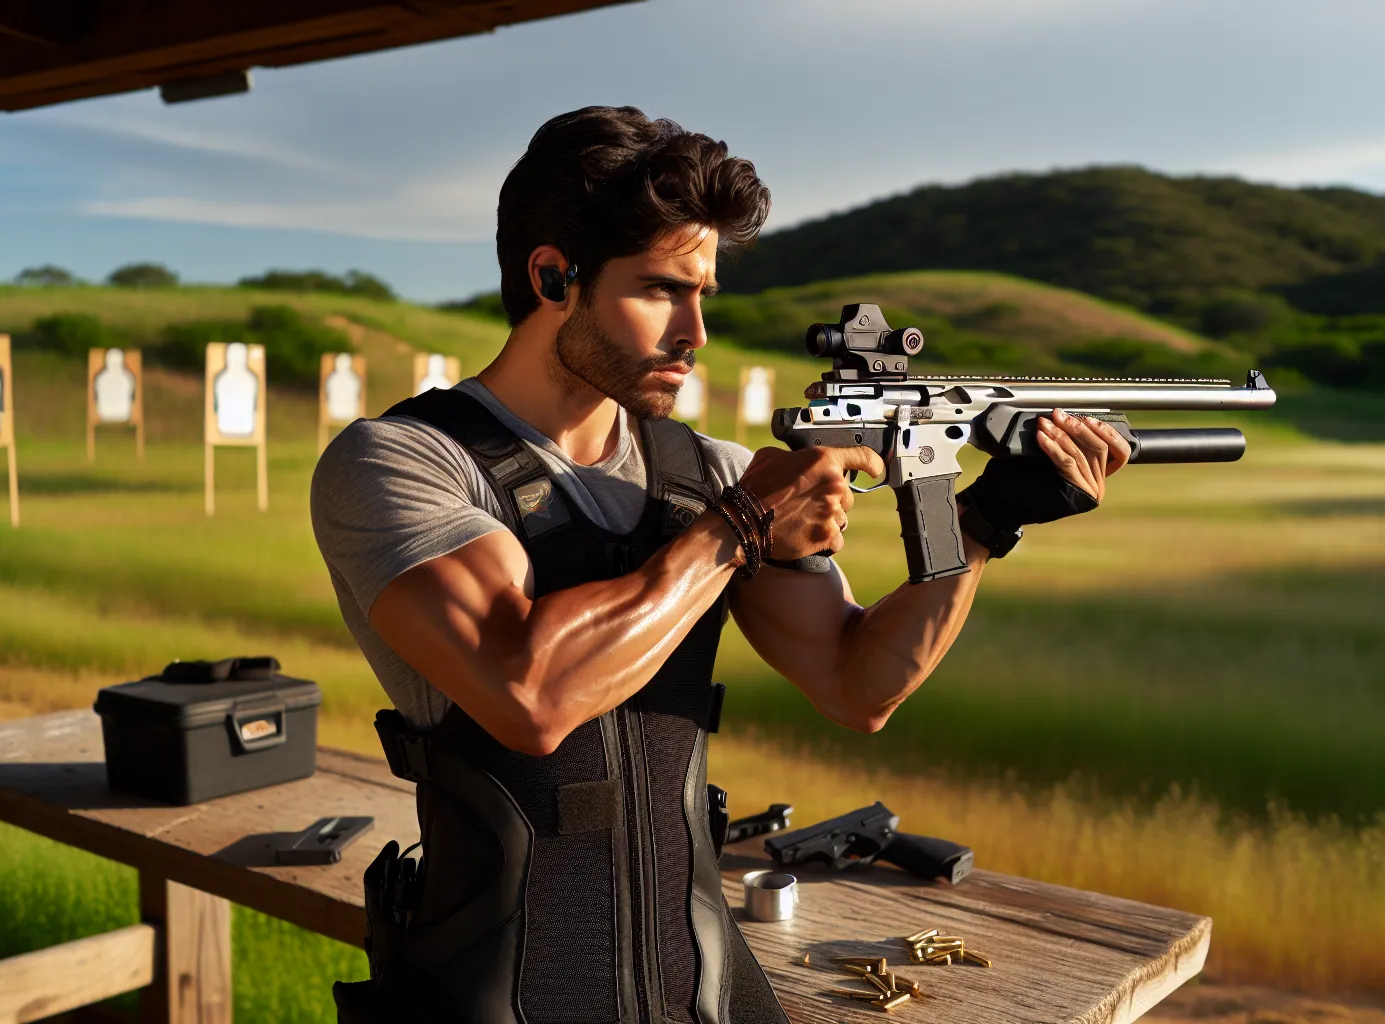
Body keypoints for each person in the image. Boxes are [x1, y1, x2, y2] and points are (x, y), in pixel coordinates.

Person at [312, 106, 1129, 1024]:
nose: (695, 331)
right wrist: (739, 525)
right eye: (662, 290)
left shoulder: (705, 472)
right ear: (552, 276)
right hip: (499, 989)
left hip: (696, 983)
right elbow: (528, 695)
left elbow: (859, 685)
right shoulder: (401, 462)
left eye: (704, 292)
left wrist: (983, 525)